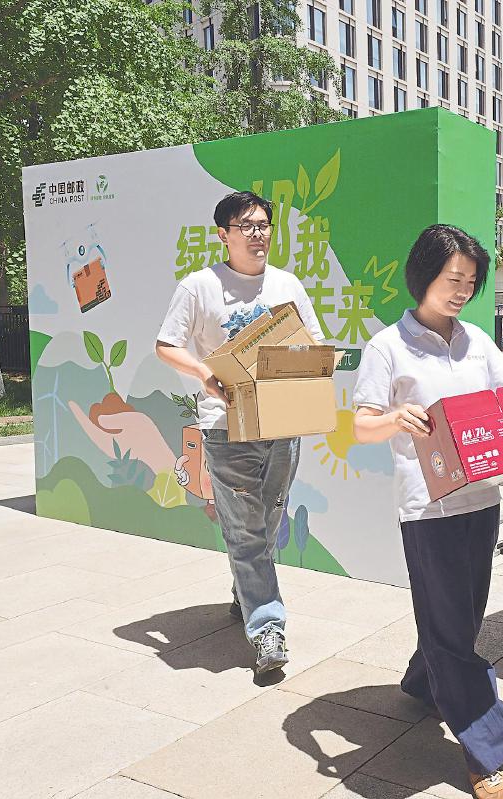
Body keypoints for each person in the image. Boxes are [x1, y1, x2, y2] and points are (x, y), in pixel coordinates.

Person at [351, 224, 503, 799]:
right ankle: (485, 750)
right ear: (423, 275)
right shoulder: (388, 347)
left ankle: (425, 682)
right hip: (428, 506)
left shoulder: (478, 341)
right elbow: (361, 425)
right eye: (453, 279)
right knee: (451, 631)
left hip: (482, 498)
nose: (461, 291)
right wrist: (394, 419)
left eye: (470, 282)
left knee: (462, 617)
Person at [155, 190, 324, 674]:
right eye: (246, 226)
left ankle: (245, 589)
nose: (257, 234)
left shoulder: (287, 284)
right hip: (224, 426)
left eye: (263, 225)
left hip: (282, 423)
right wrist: (205, 373)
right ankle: (268, 629)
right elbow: (166, 344)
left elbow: (312, 342)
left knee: (268, 519)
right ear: (223, 235)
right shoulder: (200, 286)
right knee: (246, 531)